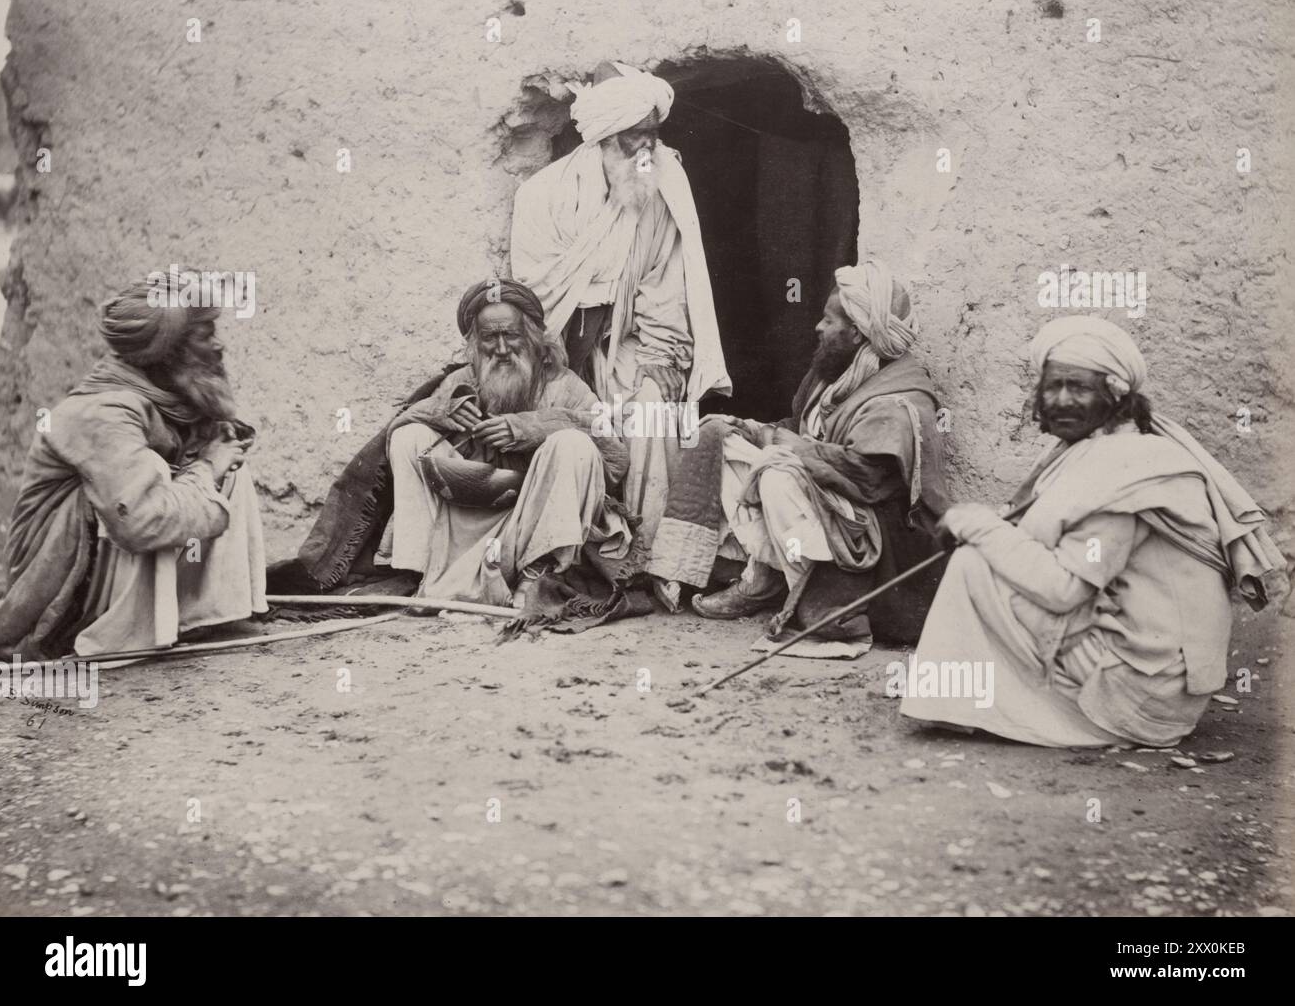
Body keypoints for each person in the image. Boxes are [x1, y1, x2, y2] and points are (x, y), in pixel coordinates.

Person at [900, 315, 1286, 747]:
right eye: (1053, 387)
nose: (1062, 400)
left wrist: (975, 523)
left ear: (1115, 396)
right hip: (1156, 682)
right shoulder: (1105, 449)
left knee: (975, 563)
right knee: (988, 552)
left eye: (1079, 388)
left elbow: (1064, 590)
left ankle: (963, 700)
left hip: (1143, 698)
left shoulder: (1124, 470)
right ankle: (962, 697)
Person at [510, 60, 731, 572]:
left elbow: (665, 289)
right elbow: (534, 298)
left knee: (652, 409)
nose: (648, 149)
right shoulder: (541, 196)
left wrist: (659, 361)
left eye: (654, 134)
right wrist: (559, 363)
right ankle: (577, 551)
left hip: (625, 344)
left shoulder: (659, 192)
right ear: (604, 138)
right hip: (557, 349)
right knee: (559, 426)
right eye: (635, 137)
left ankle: (649, 557)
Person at [673, 260, 949, 643]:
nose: (818, 327)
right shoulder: (829, 375)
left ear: (857, 333)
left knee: (777, 476)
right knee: (721, 439)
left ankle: (805, 591)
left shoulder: (897, 401)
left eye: (828, 320)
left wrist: (795, 450)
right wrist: (754, 431)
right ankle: (767, 577)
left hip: (872, 531)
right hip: (824, 503)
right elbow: (797, 428)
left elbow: (867, 479)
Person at [0, 274, 266, 662]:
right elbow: (141, 521)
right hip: (59, 588)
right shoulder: (102, 412)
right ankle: (121, 630)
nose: (219, 345)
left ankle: (200, 613)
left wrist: (212, 452)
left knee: (229, 465)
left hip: (124, 536)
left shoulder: (166, 394)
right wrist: (205, 468)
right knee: (163, 477)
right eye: (205, 335)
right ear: (169, 353)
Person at [376, 278, 630, 608]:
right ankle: (419, 573)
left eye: (510, 335)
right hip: (466, 524)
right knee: (409, 436)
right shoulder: (463, 381)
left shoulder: (565, 385)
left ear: (531, 336)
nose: (500, 349)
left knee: (573, 444)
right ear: (474, 344)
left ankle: (536, 577)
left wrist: (536, 428)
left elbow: (616, 460)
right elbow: (394, 432)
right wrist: (439, 411)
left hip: (532, 521)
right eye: (489, 338)